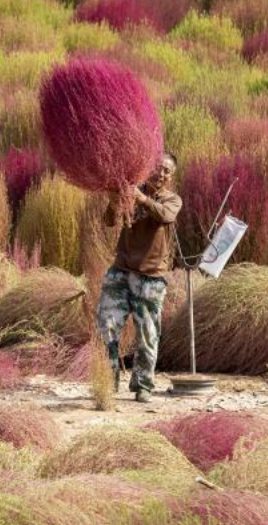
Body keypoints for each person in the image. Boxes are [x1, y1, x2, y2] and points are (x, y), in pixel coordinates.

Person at [96, 151, 181, 403]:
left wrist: (142, 198)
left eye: (167, 171)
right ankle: (107, 382)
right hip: (120, 272)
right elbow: (109, 221)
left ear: (171, 176)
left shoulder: (172, 200)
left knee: (147, 334)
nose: (161, 173)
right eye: (158, 168)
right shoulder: (131, 191)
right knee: (107, 326)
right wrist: (114, 202)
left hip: (152, 278)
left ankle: (143, 386)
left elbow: (165, 216)